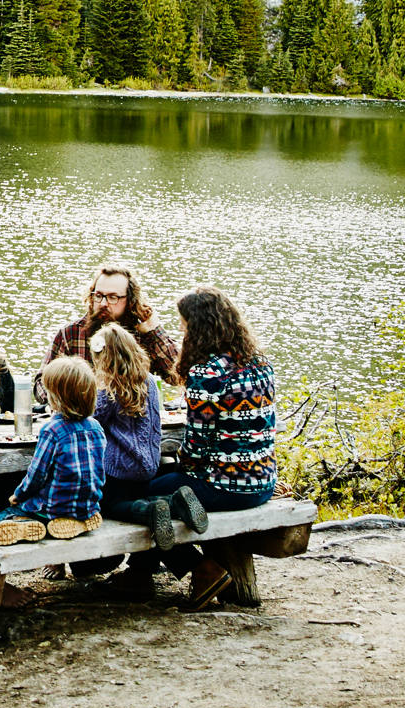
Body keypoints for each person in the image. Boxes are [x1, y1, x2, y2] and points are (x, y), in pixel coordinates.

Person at [135, 287, 277, 609]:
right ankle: (145, 571)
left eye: (184, 326)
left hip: (224, 486)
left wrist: (177, 469)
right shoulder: (260, 364)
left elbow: (195, 450)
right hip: (262, 484)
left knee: (137, 498)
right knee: (162, 486)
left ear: (198, 328)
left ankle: (201, 570)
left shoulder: (207, 373)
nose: (182, 332)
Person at [91, 323, 206, 552]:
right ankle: (173, 502)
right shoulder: (150, 382)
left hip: (118, 470)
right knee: (135, 495)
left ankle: (151, 510)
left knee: (108, 505)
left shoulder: (107, 388)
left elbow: (93, 423)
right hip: (148, 466)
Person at [0, 356, 105, 546]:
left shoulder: (52, 430)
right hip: (87, 505)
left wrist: (18, 495)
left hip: (53, 508)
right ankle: (81, 521)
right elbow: (98, 470)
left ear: (56, 398)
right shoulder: (96, 427)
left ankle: (30, 523)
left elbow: (37, 475)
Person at [34, 260, 178, 403]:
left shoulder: (142, 335)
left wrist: (154, 331)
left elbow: (178, 377)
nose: (103, 303)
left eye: (112, 297)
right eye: (98, 295)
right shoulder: (71, 333)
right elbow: (41, 385)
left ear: (130, 300)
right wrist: (66, 401)